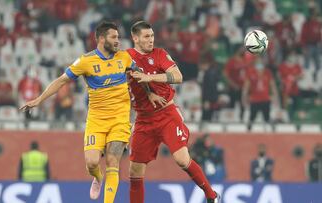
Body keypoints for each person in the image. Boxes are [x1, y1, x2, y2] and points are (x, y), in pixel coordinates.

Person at [20, 21, 136, 203]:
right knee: (92, 163)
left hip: (120, 120)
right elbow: (60, 81)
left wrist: (151, 94)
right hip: (97, 120)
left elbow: (141, 75)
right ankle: (98, 178)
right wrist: (39, 100)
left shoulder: (125, 58)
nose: (118, 41)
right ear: (101, 39)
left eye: (118, 37)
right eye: (113, 37)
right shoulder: (85, 61)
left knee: (113, 161)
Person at [127, 21, 219, 203]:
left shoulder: (160, 54)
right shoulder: (126, 57)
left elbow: (178, 77)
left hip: (166, 114)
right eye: (146, 37)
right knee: (134, 171)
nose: (151, 40)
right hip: (143, 119)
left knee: (182, 160)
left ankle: (211, 195)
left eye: (152, 36)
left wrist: (150, 77)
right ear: (135, 38)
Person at [242, 57, 278, 124]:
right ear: (255, 64)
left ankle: (268, 132)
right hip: (254, 99)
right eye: (258, 63)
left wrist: (275, 97)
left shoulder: (267, 72)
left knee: (267, 118)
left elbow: (273, 86)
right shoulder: (251, 73)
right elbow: (246, 87)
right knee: (252, 118)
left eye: (261, 63)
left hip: (265, 99)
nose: (259, 64)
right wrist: (244, 97)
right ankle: (249, 132)